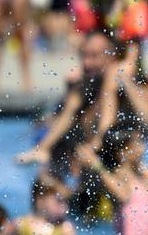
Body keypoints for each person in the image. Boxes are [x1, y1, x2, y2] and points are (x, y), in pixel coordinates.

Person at [15, 31, 115, 167]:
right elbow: (69, 112)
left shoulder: (114, 77)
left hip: (97, 142)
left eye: (94, 56)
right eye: (84, 56)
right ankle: (42, 148)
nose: (86, 63)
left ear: (109, 56)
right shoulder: (84, 81)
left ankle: (43, 149)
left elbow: (107, 114)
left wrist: (96, 143)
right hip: (63, 137)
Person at [76, 129, 148, 235]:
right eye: (137, 143)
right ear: (122, 152)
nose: (143, 146)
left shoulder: (140, 174)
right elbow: (123, 195)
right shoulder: (115, 176)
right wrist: (97, 165)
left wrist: (139, 165)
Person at [6, 179, 76, 235]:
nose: (65, 207)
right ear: (40, 200)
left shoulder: (65, 229)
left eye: (66, 202)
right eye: (59, 201)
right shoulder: (19, 225)